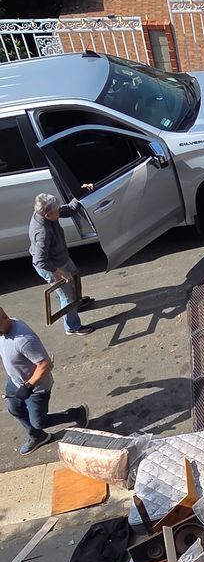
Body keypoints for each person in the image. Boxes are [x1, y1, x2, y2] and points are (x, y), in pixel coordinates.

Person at [0, 306, 88, 456]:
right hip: (15, 381)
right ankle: (37, 436)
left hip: (36, 388)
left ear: (3, 318)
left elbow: (45, 364)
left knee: (39, 422)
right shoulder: (4, 330)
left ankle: (77, 413)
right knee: (15, 410)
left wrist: (28, 386)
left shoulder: (23, 340)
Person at [28, 190, 93, 335]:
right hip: (51, 266)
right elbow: (40, 260)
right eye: (57, 211)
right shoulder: (42, 232)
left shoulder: (48, 213)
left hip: (61, 258)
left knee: (75, 282)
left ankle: (77, 303)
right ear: (47, 215)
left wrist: (80, 192)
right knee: (67, 298)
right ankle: (72, 327)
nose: (59, 212)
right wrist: (60, 273)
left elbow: (69, 209)